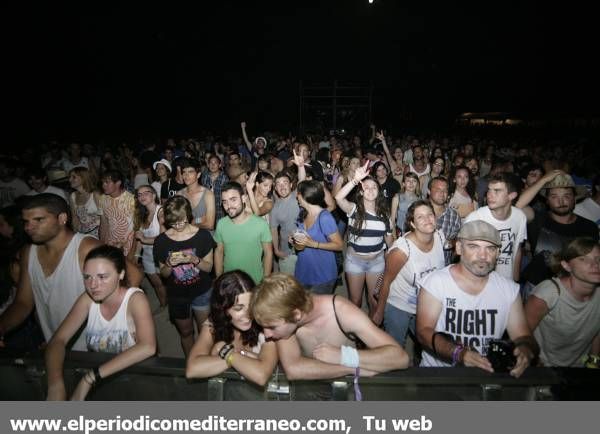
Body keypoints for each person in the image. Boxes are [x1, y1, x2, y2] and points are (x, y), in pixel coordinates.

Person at [0, 194, 142, 349]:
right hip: (58, 343)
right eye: (26, 222)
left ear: (62, 218)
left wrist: (114, 319)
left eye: (39, 220)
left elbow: (133, 274)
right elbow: (23, 302)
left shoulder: (85, 247)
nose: (29, 227)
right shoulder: (28, 253)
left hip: (98, 346)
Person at [416, 220, 538, 378]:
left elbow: (523, 336)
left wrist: (525, 349)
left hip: (485, 375)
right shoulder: (436, 283)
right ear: (459, 248)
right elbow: (423, 332)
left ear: (498, 253)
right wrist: (458, 353)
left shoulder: (508, 290)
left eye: (490, 248)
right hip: (439, 375)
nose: (483, 256)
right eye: (474, 247)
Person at [44, 245, 156, 400]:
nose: (93, 285)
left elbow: (148, 347)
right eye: (87, 277)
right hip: (103, 383)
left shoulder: (135, 300)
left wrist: (89, 378)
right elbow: (58, 340)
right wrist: (55, 385)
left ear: (121, 274)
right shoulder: (87, 299)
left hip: (134, 380)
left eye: (102, 277)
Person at [251, 273, 409, 382]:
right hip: (312, 390)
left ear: (296, 315)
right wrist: (348, 366)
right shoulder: (286, 321)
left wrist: (344, 355)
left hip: (346, 391)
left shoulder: (341, 311)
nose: (266, 334)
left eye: (271, 327)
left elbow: (400, 358)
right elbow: (293, 369)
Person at [186, 270, 278, 387]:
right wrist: (241, 359)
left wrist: (228, 354)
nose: (248, 314)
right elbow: (192, 369)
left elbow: (261, 375)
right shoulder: (213, 324)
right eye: (238, 308)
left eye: (251, 305)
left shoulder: (266, 324)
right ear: (222, 309)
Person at [373, 200, 446, 347]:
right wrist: (379, 312)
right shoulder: (402, 250)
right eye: (420, 217)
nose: (427, 219)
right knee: (396, 347)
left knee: (426, 344)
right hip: (399, 304)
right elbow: (386, 281)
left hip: (425, 305)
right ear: (412, 224)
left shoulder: (440, 237)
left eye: (430, 214)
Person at [153, 196, 215, 356]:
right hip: (177, 294)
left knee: (205, 332)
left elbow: (208, 268)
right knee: (186, 332)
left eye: (181, 220)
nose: (178, 225)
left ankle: (206, 362)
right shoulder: (161, 241)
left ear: (188, 215)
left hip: (201, 291)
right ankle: (191, 362)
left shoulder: (203, 236)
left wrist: (194, 259)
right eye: (173, 222)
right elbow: (164, 274)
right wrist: (168, 264)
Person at [525, 238, 600, 367]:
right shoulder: (549, 293)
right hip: (546, 370)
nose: (595, 265)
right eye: (583, 259)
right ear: (566, 265)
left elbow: (596, 331)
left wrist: (593, 363)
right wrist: (534, 361)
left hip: (580, 370)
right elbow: (521, 334)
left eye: (598, 259)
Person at [517, 171, 598, 287]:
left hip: (575, 288)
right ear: (547, 200)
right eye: (554, 196)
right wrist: (543, 180)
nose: (561, 202)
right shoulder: (538, 219)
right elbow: (517, 207)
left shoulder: (589, 227)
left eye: (566, 196)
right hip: (537, 286)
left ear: (574, 199)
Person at [335, 161, 393, 310]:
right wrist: (355, 180)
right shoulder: (353, 210)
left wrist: (390, 264)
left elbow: (389, 242)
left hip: (377, 263)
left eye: (374, 187)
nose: (370, 189)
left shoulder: (385, 215)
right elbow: (338, 198)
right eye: (366, 187)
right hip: (355, 262)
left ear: (379, 192)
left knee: (374, 302)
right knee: (356, 302)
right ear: (361, 191)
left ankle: (371, 331)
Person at [465, 172, 527, 282]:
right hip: (480, 282)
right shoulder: (475, 218)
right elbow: (464, 254)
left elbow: (517, 248)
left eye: (497, 191)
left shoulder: (520, 217)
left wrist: (515, 280)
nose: (489, 195)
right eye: (489, 190)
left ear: (511, 195)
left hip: (506, 282)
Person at [214, 182, 273, 284]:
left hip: (255, 282)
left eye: (233, 200)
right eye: (224, 202)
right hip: (229, 283)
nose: (229, 206)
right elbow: (219, 252)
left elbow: (268, 253)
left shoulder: (260, 224)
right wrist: (219, 278)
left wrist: (265, 281)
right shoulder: (221, 224)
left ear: (243, 198)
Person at [292, 180, 343, 294]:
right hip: (303, 271)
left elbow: (339, 246)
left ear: (306, 196)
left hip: (322, 275)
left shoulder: (324, 218)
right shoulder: (302, 212)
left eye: (298, 193)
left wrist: (313, 244)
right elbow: (302, 235)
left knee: (318, 310)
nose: (296, 196)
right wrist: (293, 238)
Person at [132, 185, 167, 308]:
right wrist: (136, 256)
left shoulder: (161, 211)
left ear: (153, 195)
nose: (142, 196)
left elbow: (164, 238)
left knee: (167, 282)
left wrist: (144, 239)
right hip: (147, 256)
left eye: (145, 193)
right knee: (156, 284)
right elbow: (139, 239)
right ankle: (163, 305)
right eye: (139, 195)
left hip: (161, 254)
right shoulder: (141, 214)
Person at [98, 170, 136, 257]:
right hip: (110, 246)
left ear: (118, 183)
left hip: (128, 247)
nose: (103, 185)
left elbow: (137, 229)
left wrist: (133, 253)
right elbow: (103, 224)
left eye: (107, 182)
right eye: (102, 182)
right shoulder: (103, 199)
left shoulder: (132, 200)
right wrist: (101, 244)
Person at [428, 177, 461, 265]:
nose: (442, 194)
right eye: (438, 189)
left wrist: (452, 243)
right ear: (428, 191)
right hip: (419, 268)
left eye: (445, 190)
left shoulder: (454, 216)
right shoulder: (417, 211)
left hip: (443, 268)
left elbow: (458, 242)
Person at [177, 157, 216, 231]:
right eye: (184, 172)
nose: (186, 175)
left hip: (204, 237)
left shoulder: (208, 195)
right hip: (185, 237)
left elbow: (210, 225)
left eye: (190, 172)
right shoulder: (179, 195)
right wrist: (198, 220)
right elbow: (176, 221)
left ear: (198, 175)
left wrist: (192, 223)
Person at [69, 167, 101, 239]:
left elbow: (105, 217)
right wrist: (75, 236)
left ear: (83, 178)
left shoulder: (95, 195)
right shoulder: (73, 196)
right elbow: (75, 218)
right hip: (83, 235)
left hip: (99, 233)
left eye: (74, 177)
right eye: (70, 177)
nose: (70, 180)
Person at [200, 155, 229, 222]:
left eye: (215, 163)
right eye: (210, 163)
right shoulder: (204, 177)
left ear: (219, 165)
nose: (212, 165)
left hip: (220, 210)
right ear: (208, 165)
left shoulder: (224, 178)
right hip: (206, 210)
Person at [391, 172, 421, 236]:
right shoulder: (397, 197)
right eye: (408, 181)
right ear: (404, 184)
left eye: (414, 181)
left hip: (415, 233)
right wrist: (394, 236)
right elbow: (392, 220)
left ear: (417, 184)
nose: (411, 183)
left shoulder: (420, 199)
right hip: (400, 232)